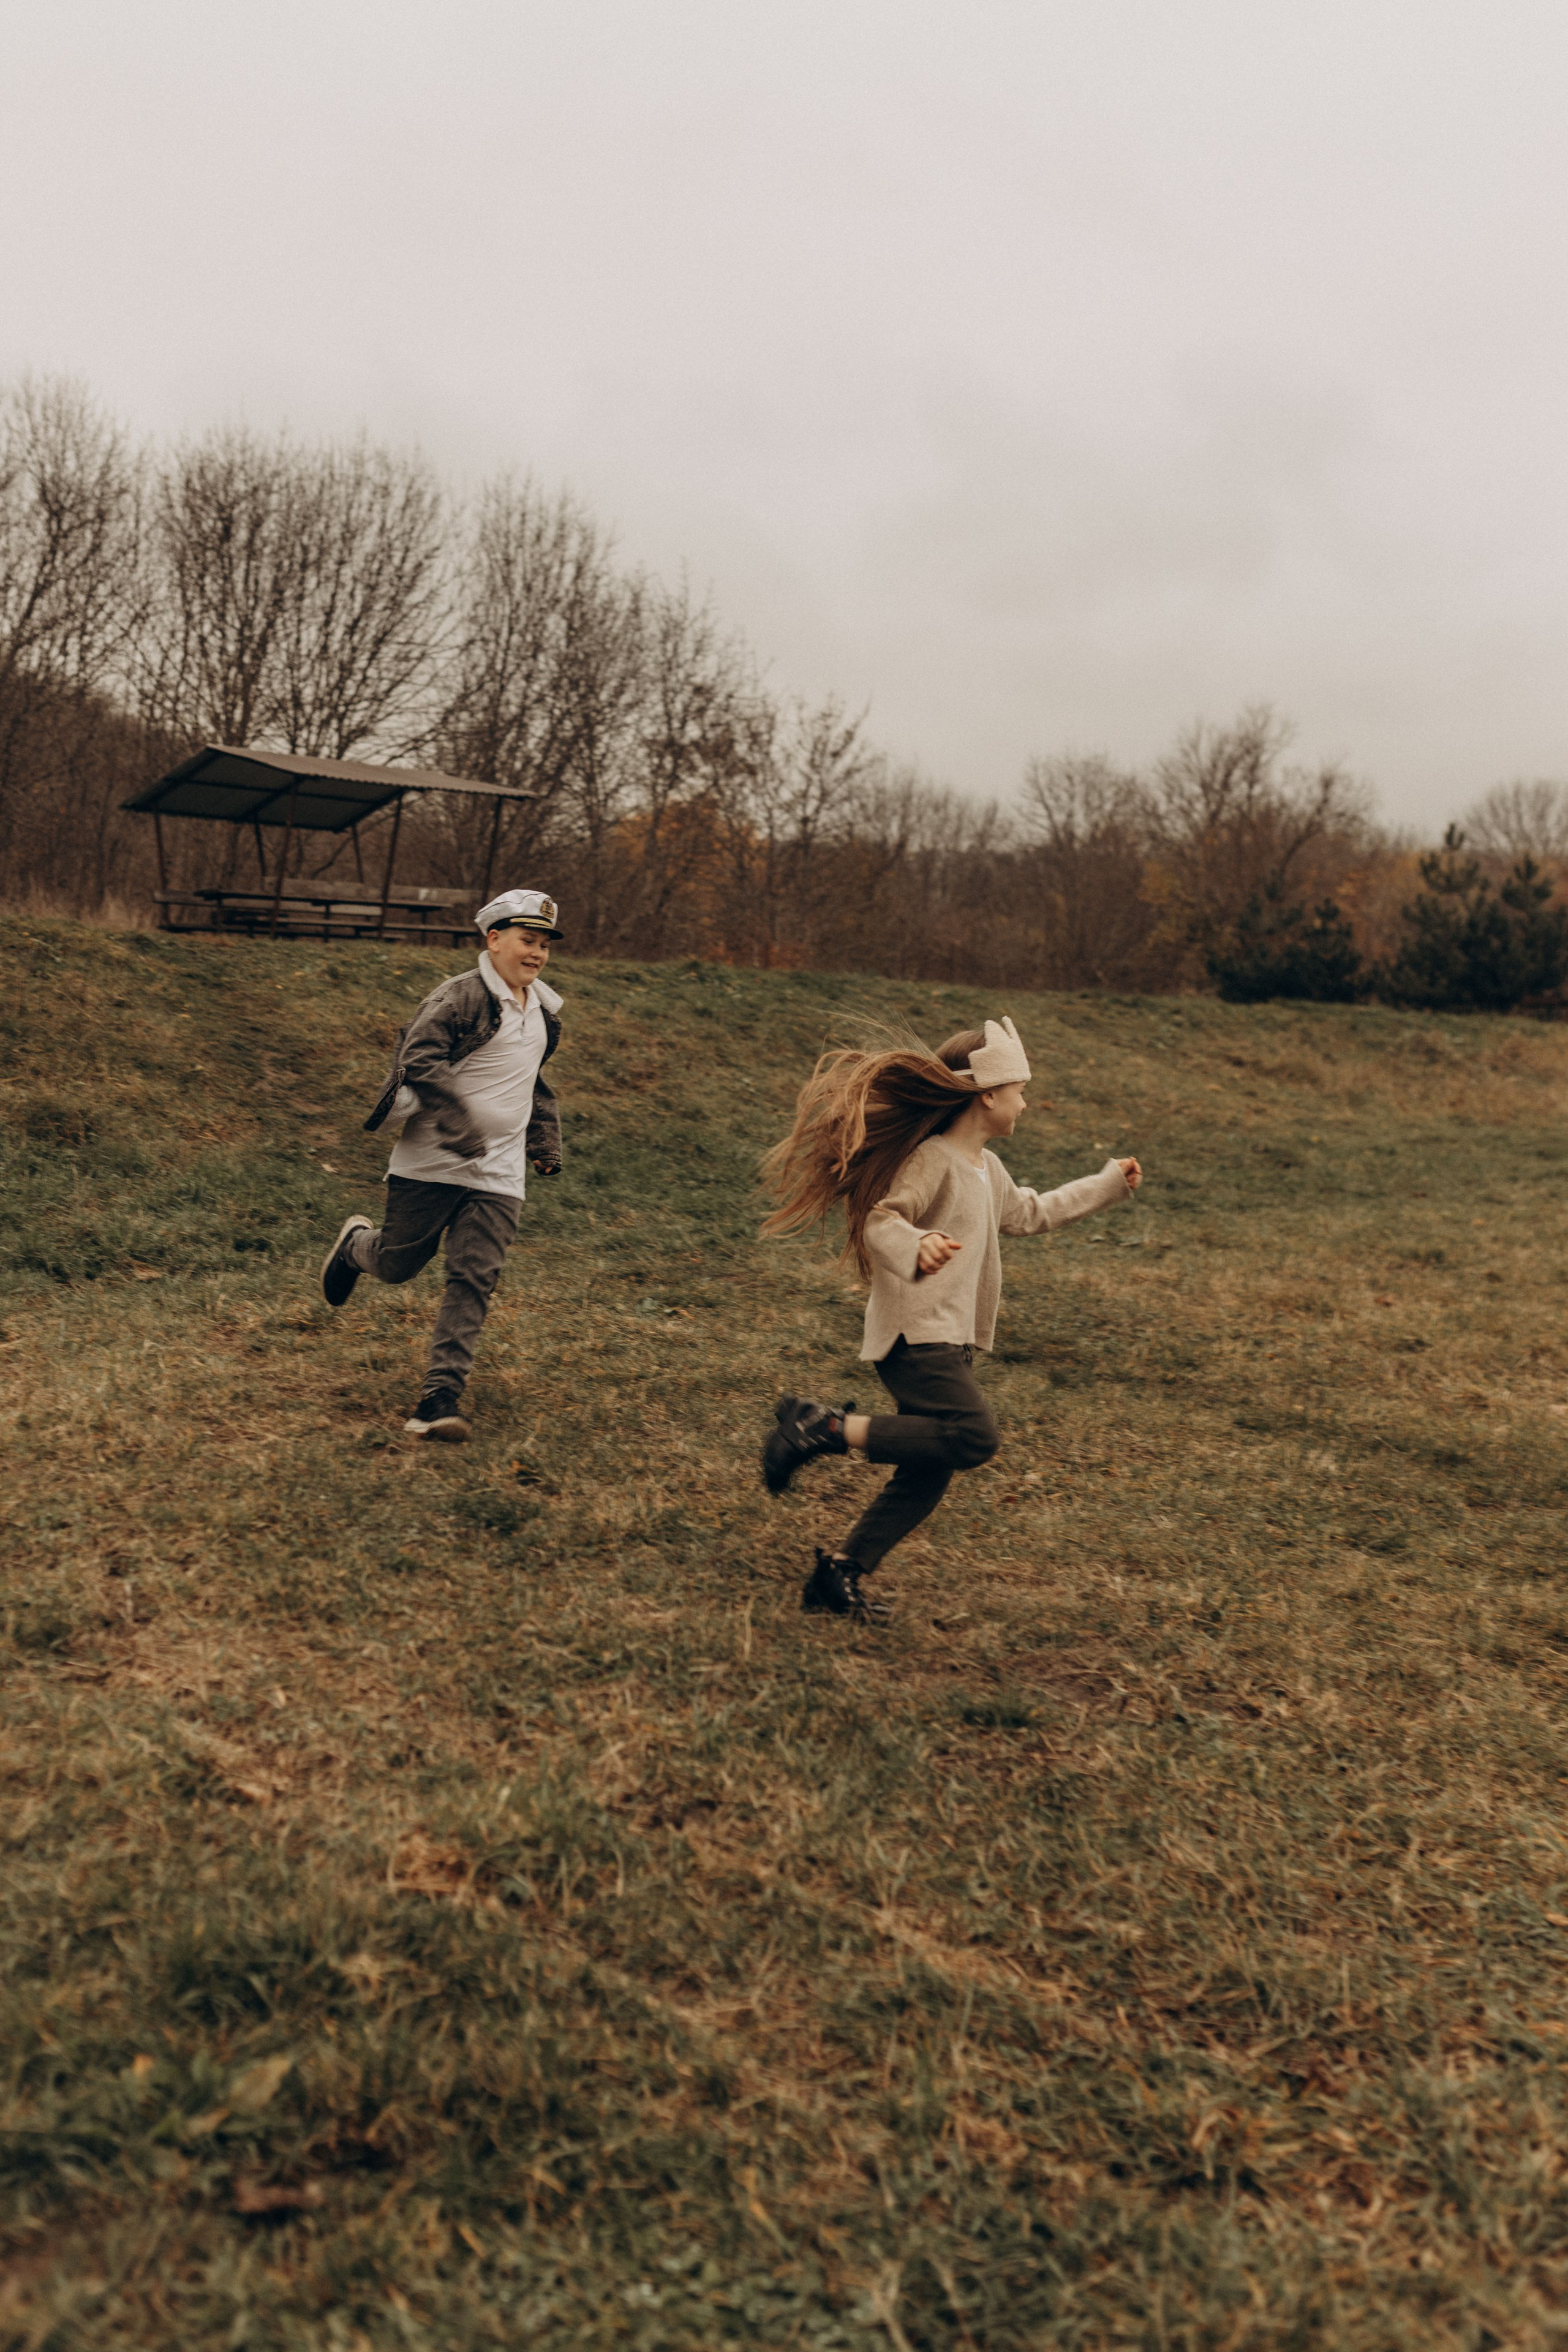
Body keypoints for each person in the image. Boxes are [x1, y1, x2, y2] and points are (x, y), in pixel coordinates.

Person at [758, 1017, 1142, 1621]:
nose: (1024, 1101)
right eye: (1018, 1089)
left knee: (929, 1469)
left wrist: (1106, 1184)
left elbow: (1031, 1213)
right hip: (916, 1335)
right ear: (987, 1093)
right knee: (972, 1438)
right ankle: (825, 1429)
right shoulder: (932, 1159)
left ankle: (840, 1573)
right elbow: (883, 1220)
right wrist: (916, 1245)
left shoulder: (986, 1168)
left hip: (949, 1339)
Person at [318, 888, 565, 1442]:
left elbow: (534, 1085)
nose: (537, 953)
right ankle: (357, 1247)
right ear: (494, 939)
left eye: (545, 944)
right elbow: (417, 1060)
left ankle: (438, 1399)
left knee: (474, 1277)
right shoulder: (460, 998)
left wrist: (543, 1143)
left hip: (499, 1173)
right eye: (528, 940)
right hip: (432, 1162)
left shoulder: (544, 1014)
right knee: (399, 1263)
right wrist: (456, 1122)